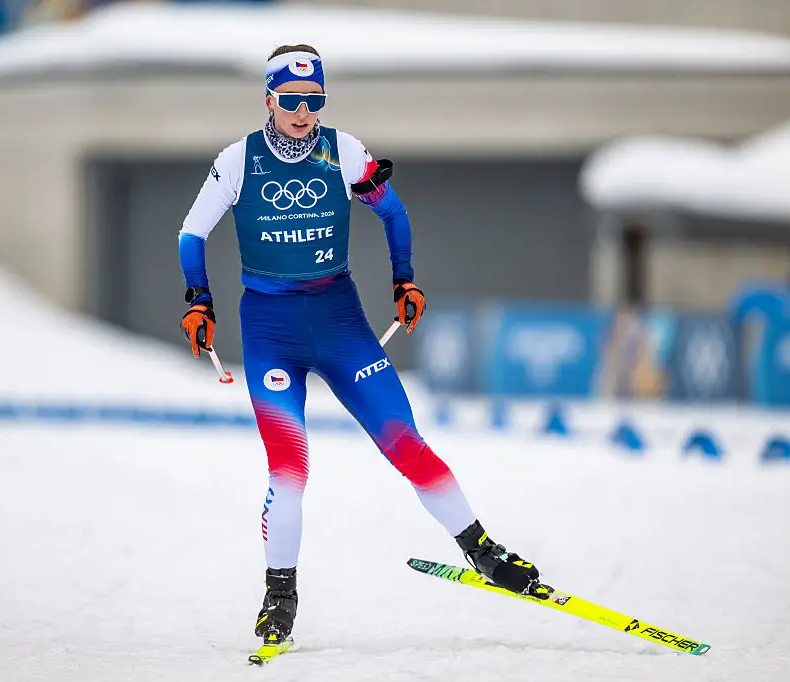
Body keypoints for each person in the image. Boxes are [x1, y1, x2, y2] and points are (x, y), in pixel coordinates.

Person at [178, 44, 544, 646]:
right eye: (291, 101)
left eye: (313, 100)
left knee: (407, 442)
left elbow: (394, 214)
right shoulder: (237, 160)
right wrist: (200, 302)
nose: (302, 113)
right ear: (268, 98)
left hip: (341, 323)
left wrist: (405, 279)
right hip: (270, 331)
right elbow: (193, 235)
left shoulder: (342, 150)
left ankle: (481, 551)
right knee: (290, 470)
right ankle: (280, 594)